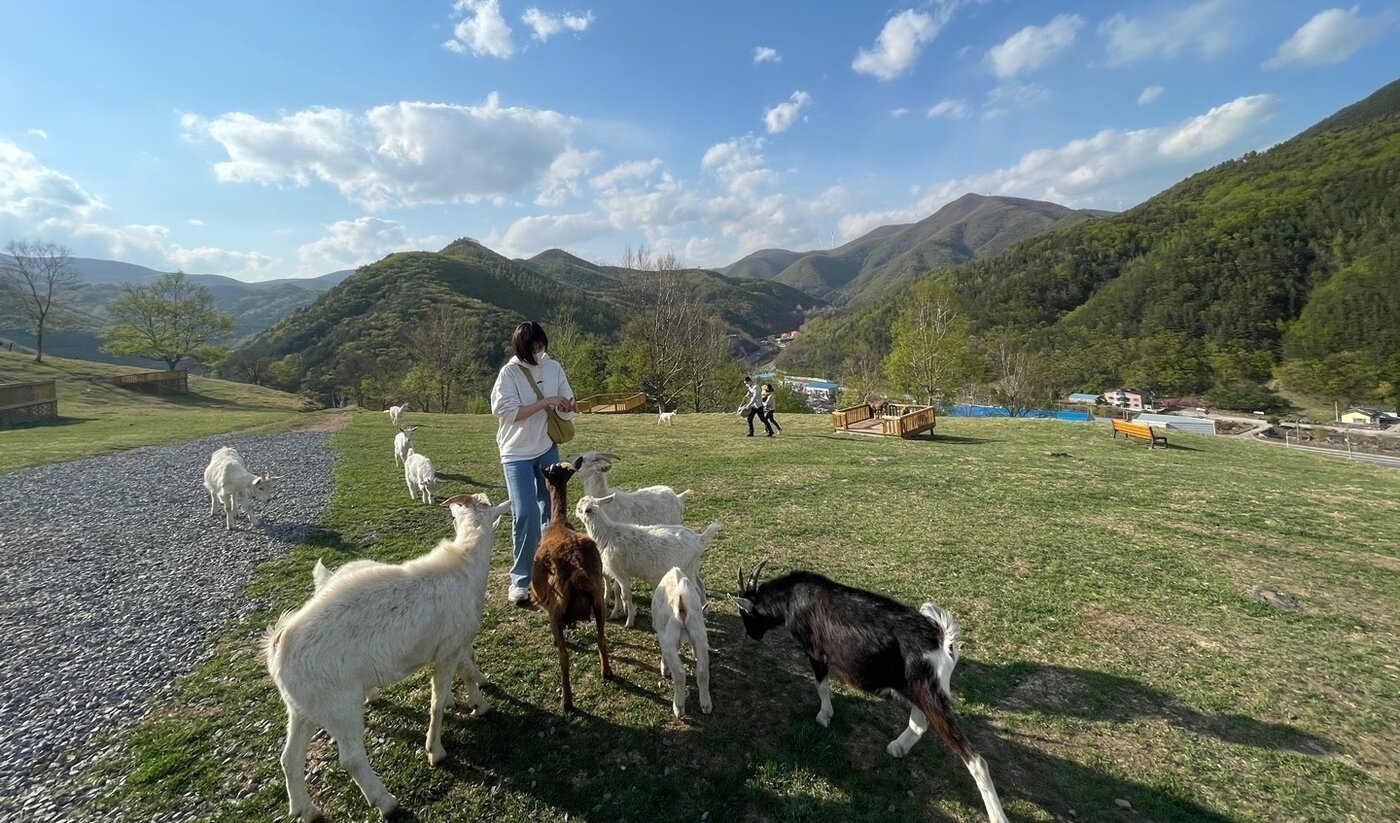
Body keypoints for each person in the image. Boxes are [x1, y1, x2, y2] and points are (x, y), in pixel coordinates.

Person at [489, 322, 577, 607]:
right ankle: (520, 580)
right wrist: (546, 401)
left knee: (551, 512)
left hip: (546, 447)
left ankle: (550, 572)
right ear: (521, 349)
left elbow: (567, 396)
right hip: (515, 453)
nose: (539, 353)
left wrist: (566, 405)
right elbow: (508, 413)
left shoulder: (554, 368)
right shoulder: (510, 373)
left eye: (541, 347)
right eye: (533, 349)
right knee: (525, 513)